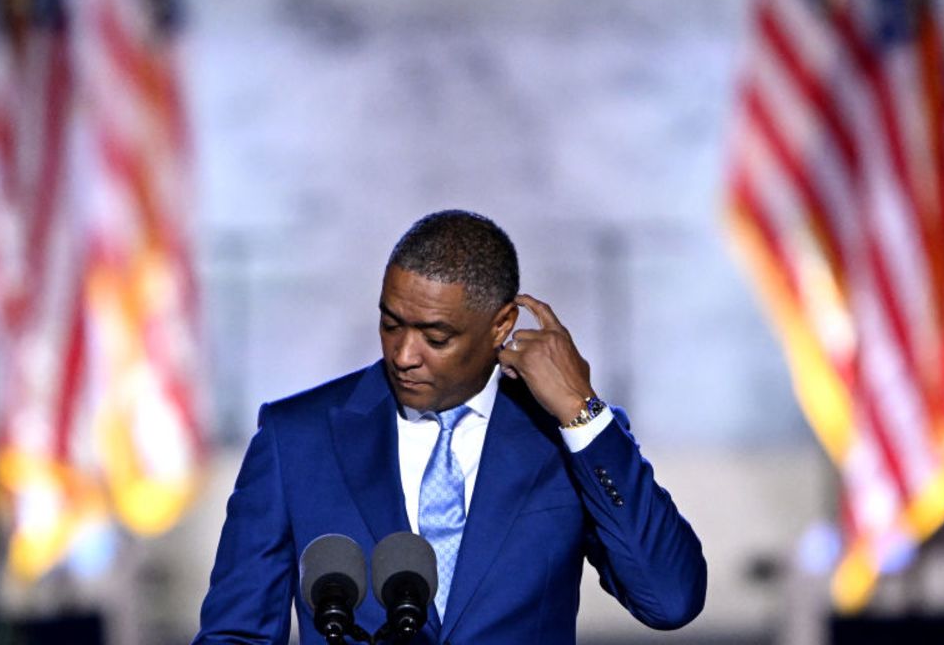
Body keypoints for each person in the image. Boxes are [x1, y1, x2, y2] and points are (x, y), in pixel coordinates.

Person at [193, 210, 706, 644]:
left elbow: (669, 599)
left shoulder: (562, 439)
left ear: (502, 326)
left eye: (436, 337)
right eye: (391, 324)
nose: (403, 355)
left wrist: (581, 412)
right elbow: (234, 634)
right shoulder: (297, 439)